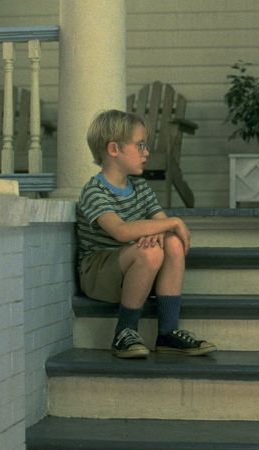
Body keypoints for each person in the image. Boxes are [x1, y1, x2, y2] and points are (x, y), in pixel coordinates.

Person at [76, 109, 216, 359]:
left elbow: (162, 224)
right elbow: (120, 231)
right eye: (140, 145)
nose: (147, 152)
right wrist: (171, 222)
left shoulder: (140, 187)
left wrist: (163, 229)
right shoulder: (94, 191)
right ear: (114, 149)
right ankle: (124, 331)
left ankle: (167, 333)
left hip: (136, 269)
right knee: (151, 250)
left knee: (172, 243)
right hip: (99, 274)